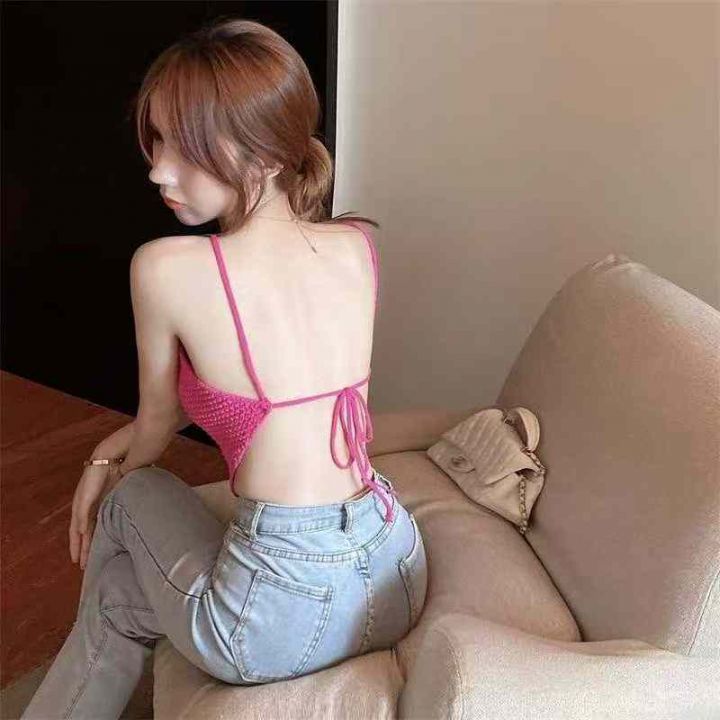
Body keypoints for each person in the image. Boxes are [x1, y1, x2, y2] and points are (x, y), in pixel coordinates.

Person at [21, 16, 427, 720]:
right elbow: (256, 396)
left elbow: (153, 436)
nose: (158, 170)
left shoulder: (167, 267)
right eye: (156, 141)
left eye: (186, 147)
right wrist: (112, 445)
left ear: (265, 155)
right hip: (394, 569)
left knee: (130, 497)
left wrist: (102, 465)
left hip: (278, 615)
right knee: (119, 595)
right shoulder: (356, 244)